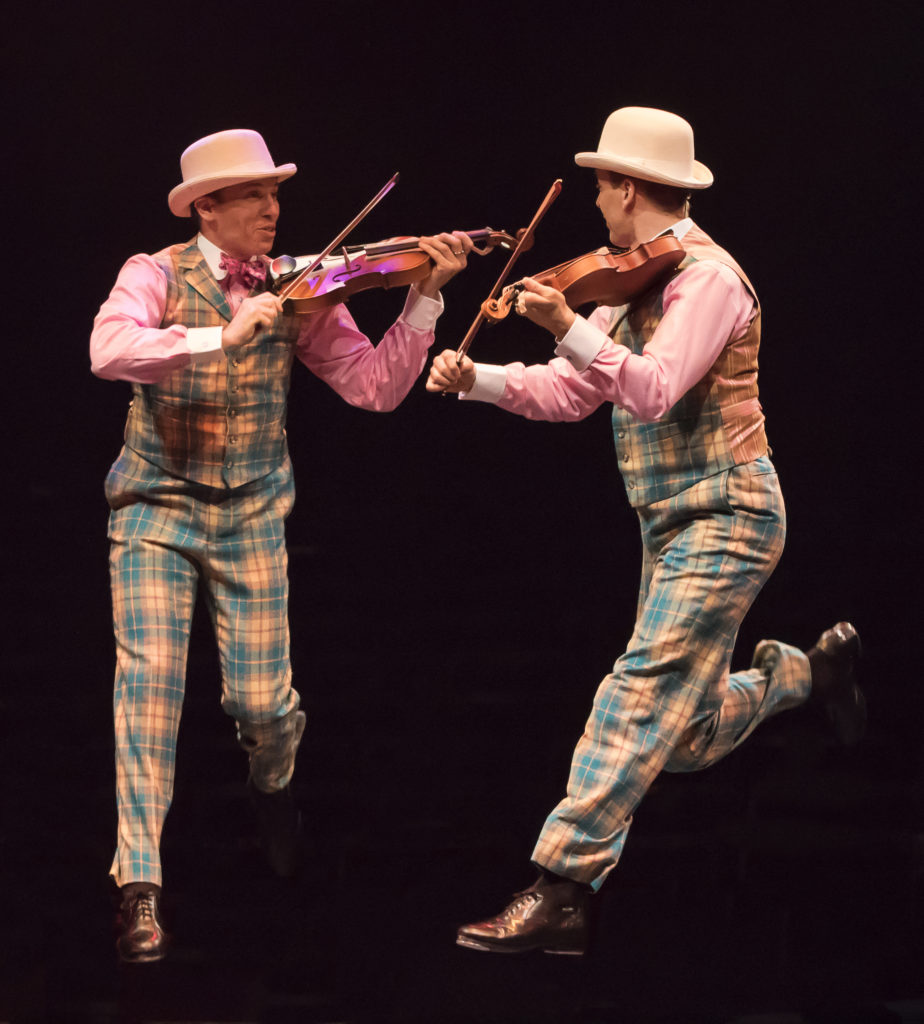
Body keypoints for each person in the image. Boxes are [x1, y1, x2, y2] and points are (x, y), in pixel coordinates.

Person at [427, 106, 864, 956]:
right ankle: (809, 674)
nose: (594, 203)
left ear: (629, 187)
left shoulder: (708, 278)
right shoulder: (630, 282)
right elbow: (571, 392)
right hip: (670, 521)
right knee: (687, 735)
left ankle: (561, 886)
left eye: (601, 186)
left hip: (730, 512)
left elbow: (654, 388)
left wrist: (564, 323)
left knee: (632, 693)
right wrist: (476, 378)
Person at [91, 128, 473, 963]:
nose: (272, 209)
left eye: (275, 195)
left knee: (264, 706)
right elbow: (108, 350)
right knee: (149, 686)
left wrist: (425, 300)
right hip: (154, 507)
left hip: (252, 515)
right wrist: (215, 336)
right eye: (254, 196)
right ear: (208, 207)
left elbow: (375, 389)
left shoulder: (301, 287)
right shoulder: (152, 272)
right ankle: (140, 889)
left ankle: (275, 791)